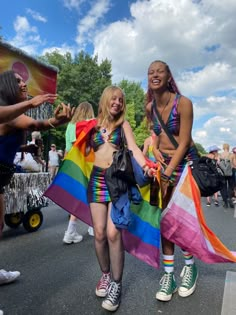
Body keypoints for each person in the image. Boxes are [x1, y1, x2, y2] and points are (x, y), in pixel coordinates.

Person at [87, 86, 151, 312]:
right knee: (100, 232)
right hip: (95, 180)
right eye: (114, 99)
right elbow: (81, 151)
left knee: (114, 233)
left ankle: (116, 284)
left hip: (117, 181)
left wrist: (147, 166)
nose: (117, 103)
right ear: (105, 100)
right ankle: (105, 275)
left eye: (121, 100)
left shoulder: (123, 125)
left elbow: (134, 148)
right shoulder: (92, 125)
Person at [145, 60, 199, 301]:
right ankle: (169, 275)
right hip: (161, 167)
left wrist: (169, 171)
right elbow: (154, 131)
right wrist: (155, 148)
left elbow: (185, 141)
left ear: (169, 77)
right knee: (164, 221)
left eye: (160, 71)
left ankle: (190, 266)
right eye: (150, 72)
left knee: (181, 220)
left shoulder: (183, 103)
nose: (155, 75)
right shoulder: (150, 107)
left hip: (182, 167)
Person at [63, 101, 95, 244]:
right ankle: (73, 231)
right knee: (91, 195)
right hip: (88, 164)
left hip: (73, 165)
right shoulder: (90, 125)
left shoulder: (70, 126)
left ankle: (78, 228)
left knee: (78, 196)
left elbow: (67, 149)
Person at [219, 143, 234, 208]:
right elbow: (234, 164)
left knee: (223, 187)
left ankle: (225, 203)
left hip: (222, 173)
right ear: (228, 147)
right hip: (230, 173)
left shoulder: (220, 155)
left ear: (223, 147)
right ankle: (230, 199)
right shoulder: (232, 155)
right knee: (231, 187)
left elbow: (218, 164)